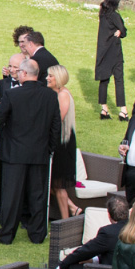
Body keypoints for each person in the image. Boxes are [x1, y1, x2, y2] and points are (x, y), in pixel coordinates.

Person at [0, 59, 59, 245]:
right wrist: (50, 148)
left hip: (14, 154)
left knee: (12, 196)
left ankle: (6, 234)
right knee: (38, 195)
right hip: (39, 153)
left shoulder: (12, 95)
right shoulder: (49, 96)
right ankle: (37, 234)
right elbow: (56, 126)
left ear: (23, 73)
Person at [46, 65, 80, 219]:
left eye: (51, 76)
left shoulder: (63, 95)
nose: (47, 78)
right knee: (52, 183)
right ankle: (73, 207)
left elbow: (57, 119)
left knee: (58, 185)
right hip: (59, 141)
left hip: (63, 144)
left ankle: (66, 219)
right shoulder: (56, 94)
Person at [95, 0, 128, 121]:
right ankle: (123, 111)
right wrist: (121, 32)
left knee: (104, 80)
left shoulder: (103, 13)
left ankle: (104, 109)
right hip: (114, 51)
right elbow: (124, 30)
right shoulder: (114, 15)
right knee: (119, 80)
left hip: (103, 50)